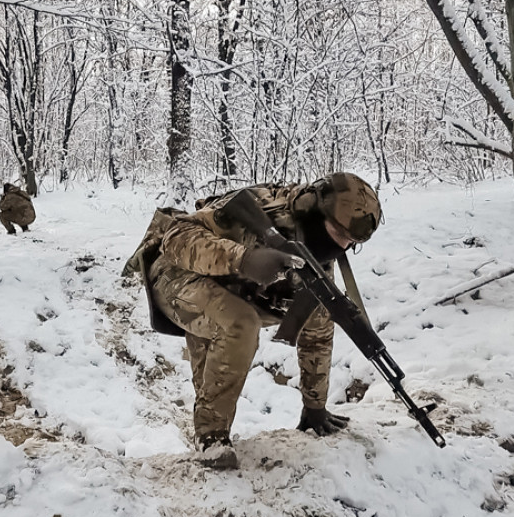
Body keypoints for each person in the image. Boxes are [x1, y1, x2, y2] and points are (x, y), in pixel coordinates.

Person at [135, 172, 382, 468]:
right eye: (338, 234)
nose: (340, 246)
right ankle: (212, 439)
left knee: (314, 306)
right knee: (240, 324)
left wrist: (315, 406)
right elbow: (176, 238)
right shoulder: (264, 206)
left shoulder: (319, 251)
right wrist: (243, 258)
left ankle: (213, 422)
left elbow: (317, 332)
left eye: (349, 242)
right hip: (175, 273)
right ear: (314, 210)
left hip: (231, 288)